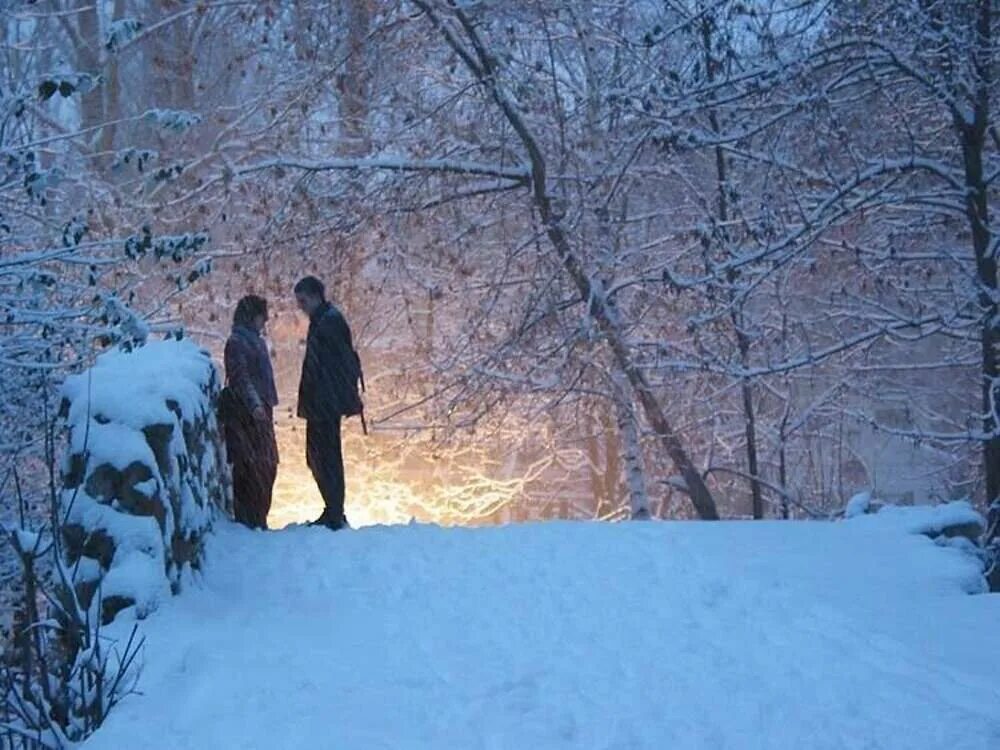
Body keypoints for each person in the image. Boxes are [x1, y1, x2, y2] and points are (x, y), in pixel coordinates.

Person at [294, 276, 363, 530]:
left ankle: (334, 511)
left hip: (325, 403)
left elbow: (333, 365)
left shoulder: (329, 322)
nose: (300, 306)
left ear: (314, 296)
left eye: (302, 300)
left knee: (325, 456)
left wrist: (326, 398)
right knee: (320, 456)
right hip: (322, 402)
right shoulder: (325, 320)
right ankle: (332, 509)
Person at [222, 294, 279, 530]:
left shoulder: (253, 341)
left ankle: (257, 517)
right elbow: (240, 377)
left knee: (265, 465)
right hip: (247, 414)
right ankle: (250, 519)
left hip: (259, 410)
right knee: (251, 466)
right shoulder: (237, 342)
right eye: (260, 317)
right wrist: (254, 404)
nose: (263, 322)